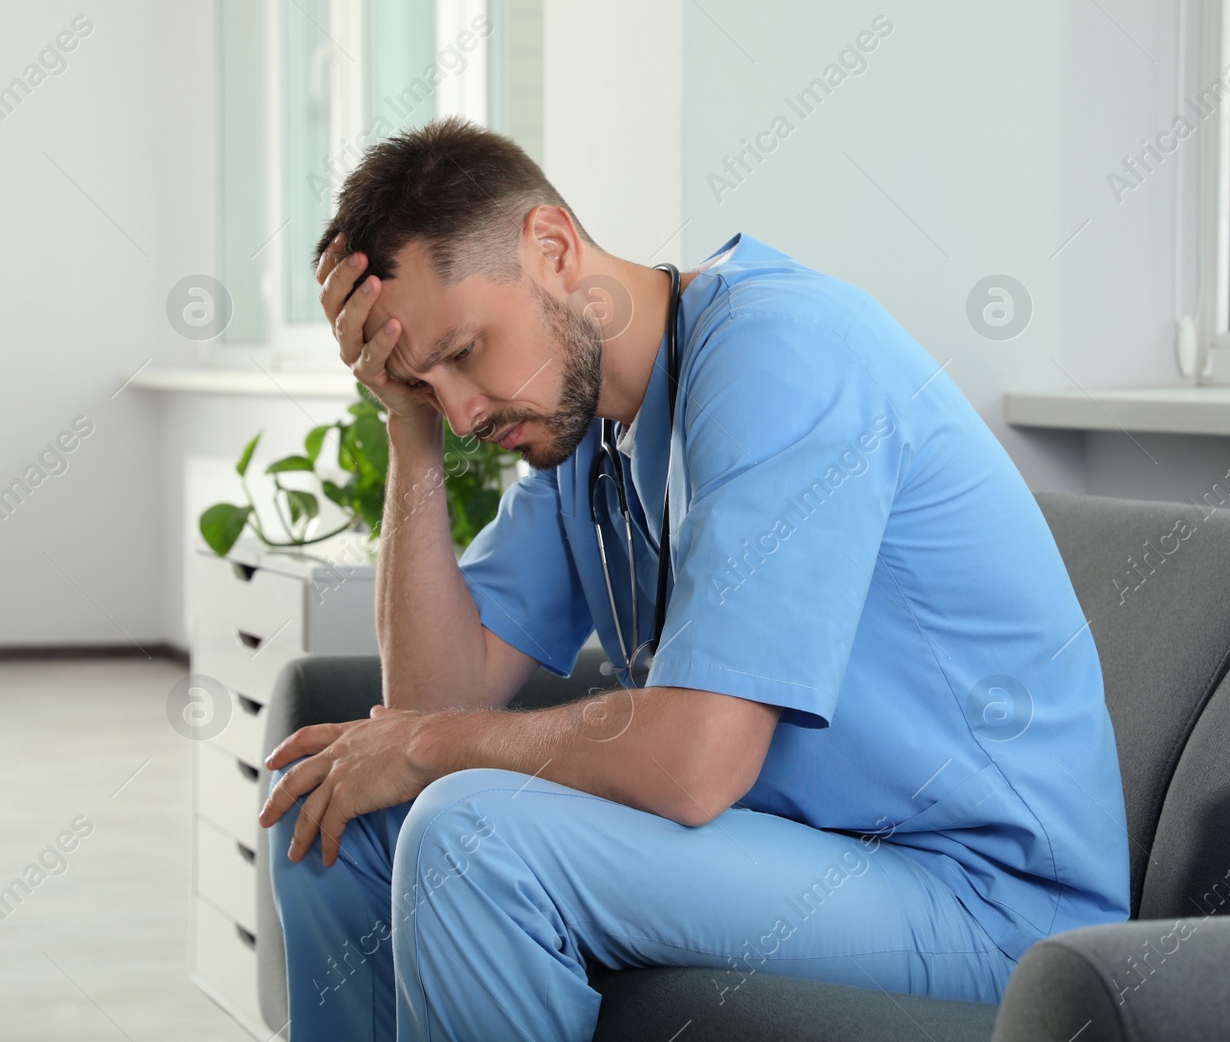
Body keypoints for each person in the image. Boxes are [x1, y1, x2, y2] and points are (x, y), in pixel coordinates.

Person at [259, 116, 1129, 1042]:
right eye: (428, 381)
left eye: (465, 351)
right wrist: (407, 423)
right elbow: (430, 701)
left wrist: (432, 747)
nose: (466, 410)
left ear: (551, 247)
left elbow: (697, 761)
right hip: (808, 858)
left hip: (987, 906)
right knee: (333, 812)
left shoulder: (782, 354)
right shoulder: (578, 431)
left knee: (473, 836)